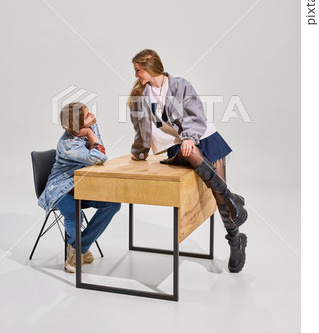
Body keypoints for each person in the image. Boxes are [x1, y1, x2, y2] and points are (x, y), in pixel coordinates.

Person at [128, 49, 247, 273]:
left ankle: (235, 240)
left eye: (138, 70)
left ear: (150, 66)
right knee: (193, 157)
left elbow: (195, 115)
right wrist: (140, 151)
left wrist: (190, 138)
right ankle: (233, 198)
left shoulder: (180, 85)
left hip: (204, 137)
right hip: (180, 146)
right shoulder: (141, 96)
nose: (136, 76)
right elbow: (142, 129)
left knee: (217, 194)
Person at [38, 102, 121, 273]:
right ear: (78, 124)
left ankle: (78, 249)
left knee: (113, 204)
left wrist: (91, 130)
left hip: (80, 185)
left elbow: (99, 149)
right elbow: (100, 157)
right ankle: (77, 253)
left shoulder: (86, 130)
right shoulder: (67, 144)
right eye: (87, 114)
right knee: (74, 214)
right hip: (61, 188)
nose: (92, 115)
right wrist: (91, 132)